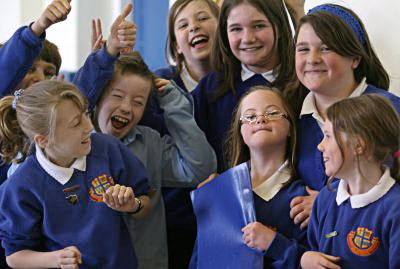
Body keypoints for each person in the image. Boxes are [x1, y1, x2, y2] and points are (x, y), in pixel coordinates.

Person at [0, 80, 151, 268]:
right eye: (76, 123)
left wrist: (132, 205)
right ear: (44, 140)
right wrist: (56, 259)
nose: (89, 127)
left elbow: (146, 202)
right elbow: (15, 256)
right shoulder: (21, 186)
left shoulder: (108, 148)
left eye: (86, 115)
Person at [89, 52, 216, 269]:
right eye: (117, 96)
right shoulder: (72, 145)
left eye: (138, 102)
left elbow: (201, 168)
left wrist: (174, 103)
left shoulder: (150, 144)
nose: (127, 108)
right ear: (98, 96)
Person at [290, 3, 400, 230]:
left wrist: (325, 204)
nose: (312, 58)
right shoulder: (291, 114)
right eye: (303, 49)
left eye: (326, 48)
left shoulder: (390, 110)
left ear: (355, 58)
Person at [192, 86, 308, 268]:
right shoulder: (220, 189)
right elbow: (201, 259)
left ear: (290, 128)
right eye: (250, 116)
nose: (261, 119)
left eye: (273, 113)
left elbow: (313, 261)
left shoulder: (303, 200)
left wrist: (275, 244)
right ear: (240, 131)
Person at [191, 0, 298, 172]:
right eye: (236, 29)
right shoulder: (211, 88)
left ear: (278, 26)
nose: (248, 38)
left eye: (258, 26)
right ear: (225, 33)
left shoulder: (302, 82)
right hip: (229, 195)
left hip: (295, 194)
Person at [153, 1, 219, 266]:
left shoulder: (241, 85)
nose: (194, 26)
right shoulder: (158, 86)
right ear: (177, 46)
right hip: (172, 224)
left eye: (203, 18)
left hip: (229, 220)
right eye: (183, 24)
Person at [300, 94, 400, 269]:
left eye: (328, 136)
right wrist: (306, 259)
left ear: (358, 145)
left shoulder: (395, 208)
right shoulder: (325, 198)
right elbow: (314, 250)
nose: (320, 146)